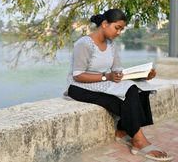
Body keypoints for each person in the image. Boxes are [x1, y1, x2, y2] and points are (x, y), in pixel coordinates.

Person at [66, 9, 173, 162]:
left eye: (122, 29)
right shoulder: (83, 44)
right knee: (128, 93)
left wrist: (143, 75)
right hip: (79, 87)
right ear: (104, 24)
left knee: (139, 87)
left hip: (101, 82)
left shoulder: (111, 45)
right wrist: (106, 76)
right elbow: (78, 75)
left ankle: (122, 131)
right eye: (117, 27)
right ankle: (138, 141)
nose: (119, 32)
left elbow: (118, 70)